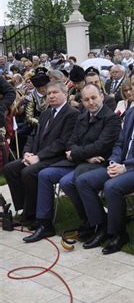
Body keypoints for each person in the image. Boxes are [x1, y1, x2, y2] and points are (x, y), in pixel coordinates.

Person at [67, 69, 134, 254]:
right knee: (83, 181)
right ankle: (100, 226)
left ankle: (118, 234)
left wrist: (126, 167)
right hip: (123, 164)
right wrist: (114, 161)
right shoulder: (131, 112)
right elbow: (120, 142)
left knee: (111, 187)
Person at [24, 84, 121, 242]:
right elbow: (70, 142)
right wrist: (82, 155)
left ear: (102, 97)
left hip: (99, 163)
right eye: (86, 99)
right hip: (81, 161)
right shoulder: (82, 116)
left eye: (94, 98)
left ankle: (96, 222)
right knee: (45, 174)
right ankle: (44, 223)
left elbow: (101, 146)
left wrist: (76, 153)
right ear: (81, 100)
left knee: (68, 182)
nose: (90, 102)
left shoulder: (111, 119)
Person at [4, 82, 79, 225]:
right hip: (36, 155)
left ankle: (32, 215)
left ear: (65, 94)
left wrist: (38, 157)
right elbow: (33, 136)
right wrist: (27, 153)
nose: (51, 96)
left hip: (57, 158)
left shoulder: (72, 114)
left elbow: (63, 142)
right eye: (49, 93)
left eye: (55, 92)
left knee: (28, 172)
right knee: (10, 168)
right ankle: (23, 208)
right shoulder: (45, 114)